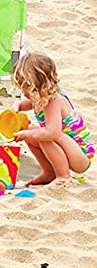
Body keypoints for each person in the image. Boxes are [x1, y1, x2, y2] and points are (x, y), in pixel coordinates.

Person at [11, 52, 94, 186]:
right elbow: (26, 104)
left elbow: (52, 133)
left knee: (42, 134)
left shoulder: (52, 101)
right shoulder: (40, 96)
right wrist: (16, 107)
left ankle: (63, 176)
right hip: (68, 149)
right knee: (33, 133)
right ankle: (50, 172)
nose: (23, 91)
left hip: (81, 155)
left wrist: (28, 133)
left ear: (38, 84)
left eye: (26, 86)